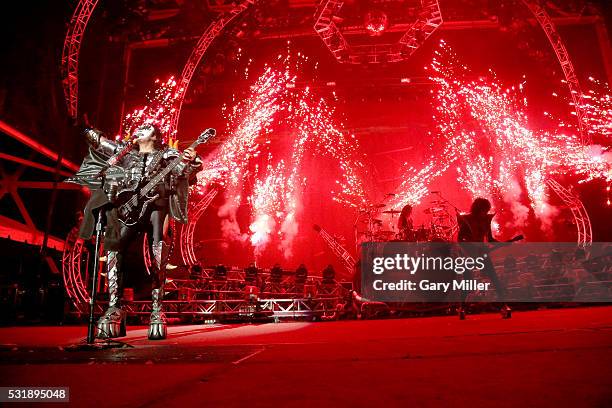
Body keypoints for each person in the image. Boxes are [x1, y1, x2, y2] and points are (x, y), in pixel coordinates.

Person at [69, 123, 203, 339]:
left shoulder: (167, 153)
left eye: (146, 127)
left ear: (156, 135)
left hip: (156, 207)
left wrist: (192, 161)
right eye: (139, 128)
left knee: (158, 253)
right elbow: (102, 144)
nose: (140, 128)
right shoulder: (126, 151)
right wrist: (83, 129)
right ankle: (114, 307)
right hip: (129, 207)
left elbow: (184, 170)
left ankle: (157, 309)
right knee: (113, 247)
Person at [457, 197, 511, 319]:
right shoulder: (467, 220)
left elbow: (490, 239)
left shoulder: (486, 220)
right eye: (483, 210)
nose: (486, 213)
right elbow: (460, 239)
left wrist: (502, 243)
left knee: (494, 278)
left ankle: (504, 305)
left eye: (486, 210)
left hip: (482, 253)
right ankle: (462, 307)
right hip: (468, 253)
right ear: (478, 209)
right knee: (467, 280)